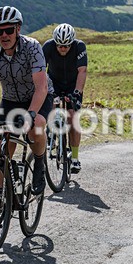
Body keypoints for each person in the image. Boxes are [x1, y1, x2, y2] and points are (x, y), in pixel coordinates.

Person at [0, 5, 53, 224]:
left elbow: (41, 88)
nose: (4, 35)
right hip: (11, 99)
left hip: (39, 95)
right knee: (3, 150)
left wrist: (31, 113)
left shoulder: (32, 47)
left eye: (8, 30)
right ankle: (0, 203)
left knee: (37, 124)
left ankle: (39, 163)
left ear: (18, 28)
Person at [42, 23, 87, 173]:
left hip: (72, 85)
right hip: (53, 82)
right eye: (59, 46)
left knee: (72, 117)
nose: (62, 49)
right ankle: (51, 134)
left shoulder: (79, 47)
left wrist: (77, 92)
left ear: (71, 43)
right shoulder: (48, 46)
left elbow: (82, 71)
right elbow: (40, 70)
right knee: (51, 107)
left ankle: (74, 158)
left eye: (66, 46)